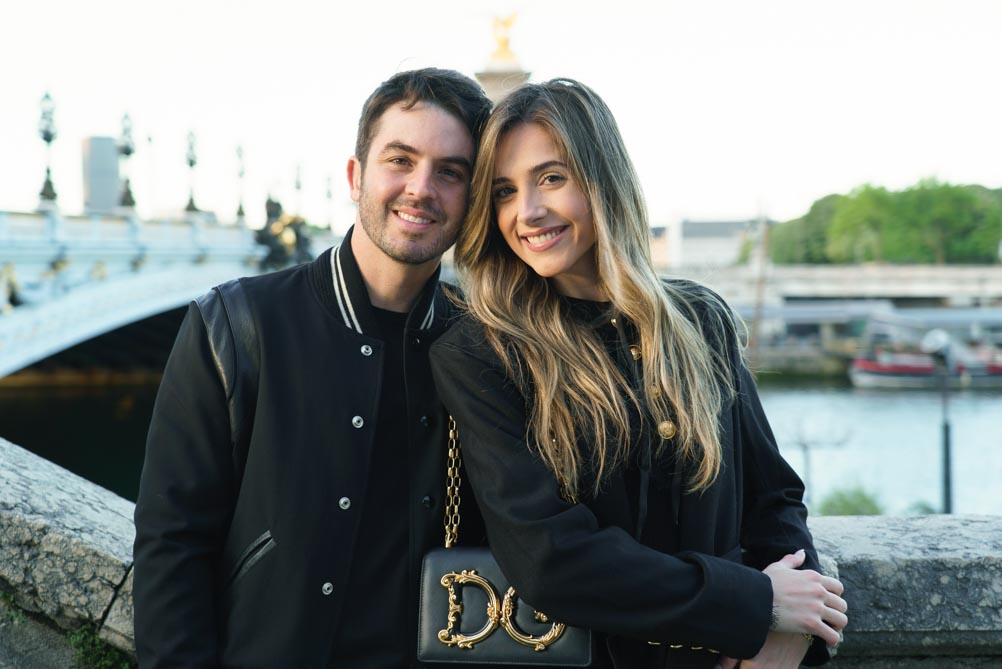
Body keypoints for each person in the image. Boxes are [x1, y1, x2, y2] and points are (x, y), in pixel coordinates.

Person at [429, 79, 848, 669]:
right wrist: (752, 604)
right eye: (504, 191)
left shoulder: (700, 321)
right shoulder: (482, 352)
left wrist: (795, 630)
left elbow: (773, 497)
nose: (528, 211)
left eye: (552, 177)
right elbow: (550, 557)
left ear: (603, 179)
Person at [133, 68, 492, 668]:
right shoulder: (233, 325)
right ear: (356, 176)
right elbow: (173, 544)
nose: (421, 188)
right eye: (399, 160)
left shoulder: (484, 347)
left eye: (450, 172)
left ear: (472, 197)